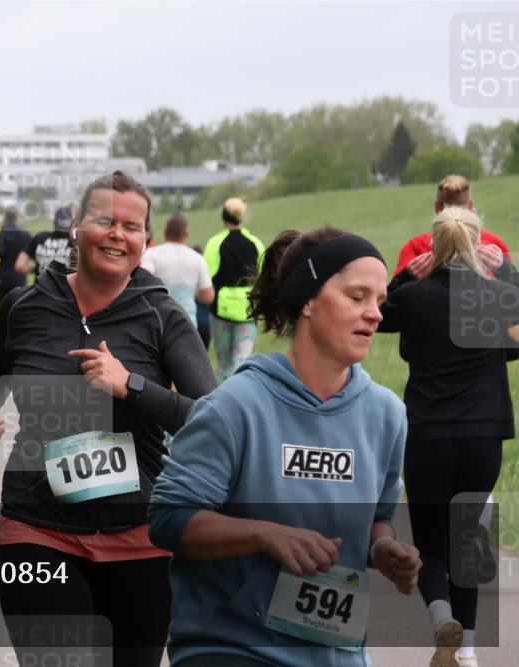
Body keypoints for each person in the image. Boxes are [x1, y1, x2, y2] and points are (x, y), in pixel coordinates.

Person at [0, 171, 216, 667]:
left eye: (132, 226)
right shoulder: (25, 306)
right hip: (37, 528)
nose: (117, 235)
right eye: (105, 221)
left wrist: (131, 385)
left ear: (146, 239)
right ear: (76, 228)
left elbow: (212, 422)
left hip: (139, 537)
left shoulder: (164, 317)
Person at [149, 226, 422, 667]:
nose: (375, 314)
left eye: (379, 301)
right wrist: (265, 535)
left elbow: (379, 519)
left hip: (336, 654)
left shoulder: (387, 414)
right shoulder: (234, 407)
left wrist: (382, 550)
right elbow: (169, 519)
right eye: (357, 297)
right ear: (308, 300)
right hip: (231, 647)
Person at [378, 207, 519, 667]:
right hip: (483, 438)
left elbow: (376, 314)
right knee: (469, 540)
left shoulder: (414, 297)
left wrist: (403, 277)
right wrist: (506, 270)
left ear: (433, 246)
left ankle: (442, 619)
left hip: (428, 436)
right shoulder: (496, 295)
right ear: (478, 243)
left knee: (432, 542)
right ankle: (470, 652)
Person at [395, 174, 511, 276]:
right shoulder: (494, 244)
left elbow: (396, 291)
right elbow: (512, 286)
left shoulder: (415, 246)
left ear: (437, 207)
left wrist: (408, 275)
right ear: (470, 206)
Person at [203, 197, 265, 383]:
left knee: (224, 364)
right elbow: (263, 276)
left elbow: (207, 277)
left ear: (223, 218)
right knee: (242, 362)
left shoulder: (215, 243)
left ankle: (221, 395)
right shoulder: (256, 243)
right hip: (248, 310)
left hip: (221, 311)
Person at [140, 212, 214, 330]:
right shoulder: (198, 259)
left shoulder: (151, 255)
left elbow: (141, 281)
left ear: (165, 233)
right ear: (186, 235)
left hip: (157, 321)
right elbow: (208, 297)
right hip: (187, 323)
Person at [16, 204, 75, 276]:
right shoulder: (76, 243)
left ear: (54, 221)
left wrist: (37, 270)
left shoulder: (40, 238)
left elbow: (20, 265)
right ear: (72, 223)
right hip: (65, 283)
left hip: (41, 282)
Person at [0, 208, 31, 305]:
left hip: (3, 275)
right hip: (19, 276)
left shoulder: (1, 233)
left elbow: (0, 252)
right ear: (17, 218)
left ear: (5, 217)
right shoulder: (26, 235)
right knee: (18, 306)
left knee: (2, 307)